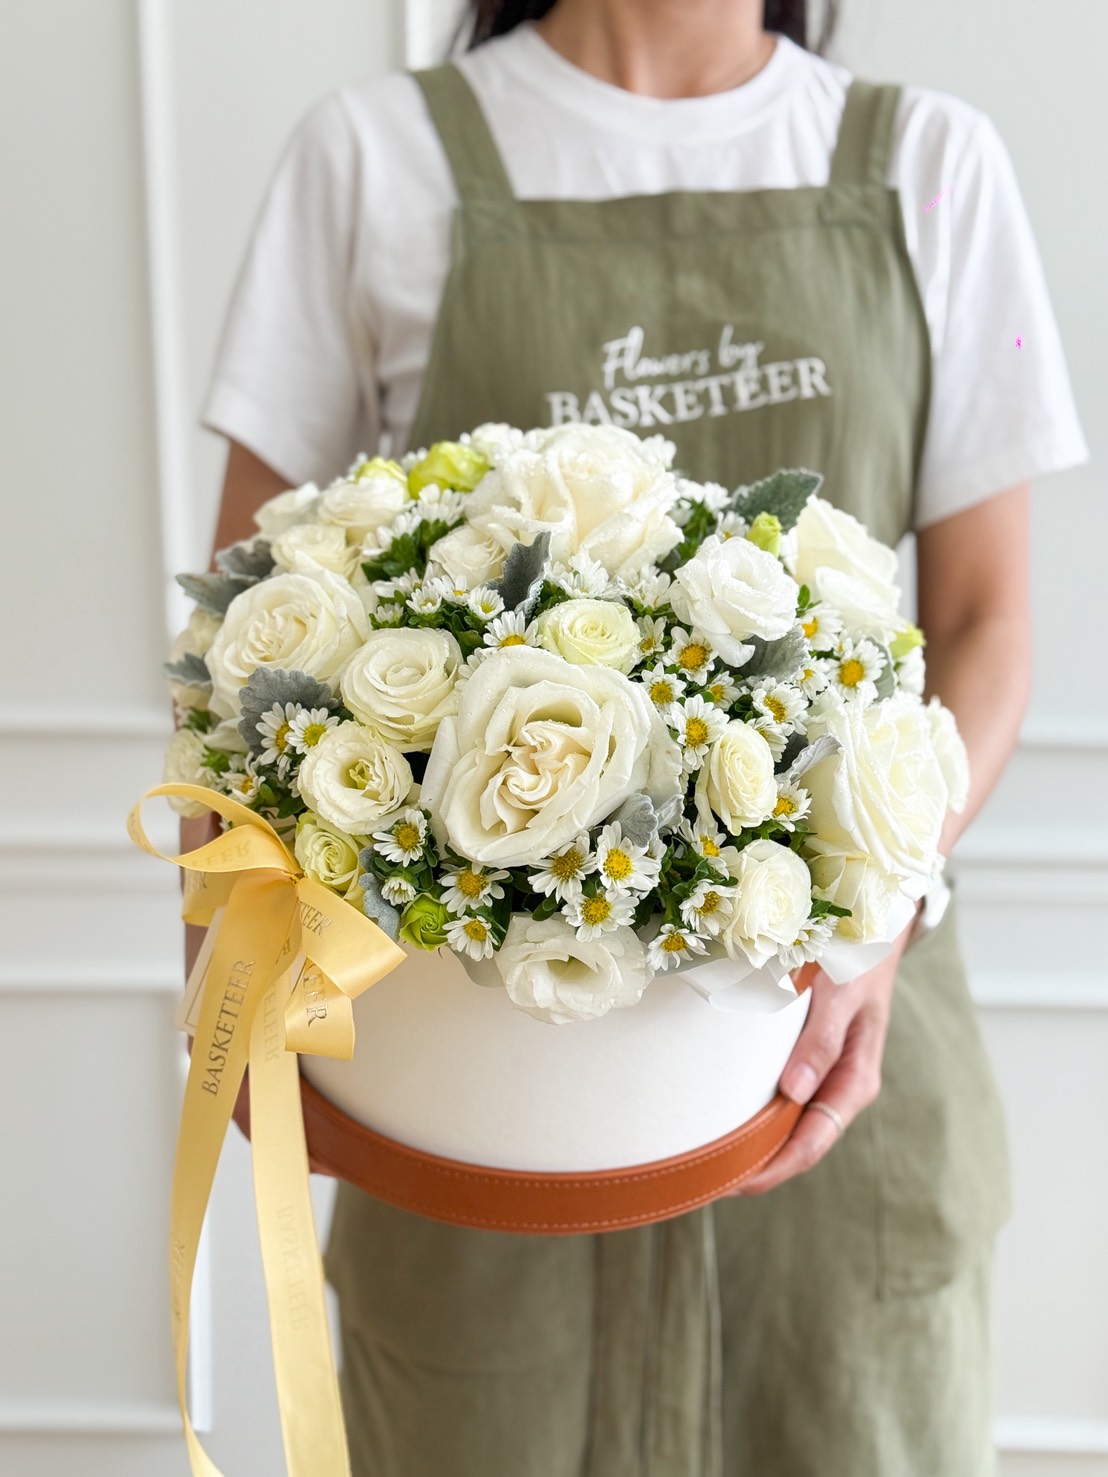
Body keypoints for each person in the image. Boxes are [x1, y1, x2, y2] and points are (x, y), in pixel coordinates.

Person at [189, 1, 1088, 1473]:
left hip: (839, 1066)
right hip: (468, 1092)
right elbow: (237, 651)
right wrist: (225, 980)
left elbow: (989, 625)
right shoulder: (371, 161)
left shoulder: (933, 166)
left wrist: (871, 918)